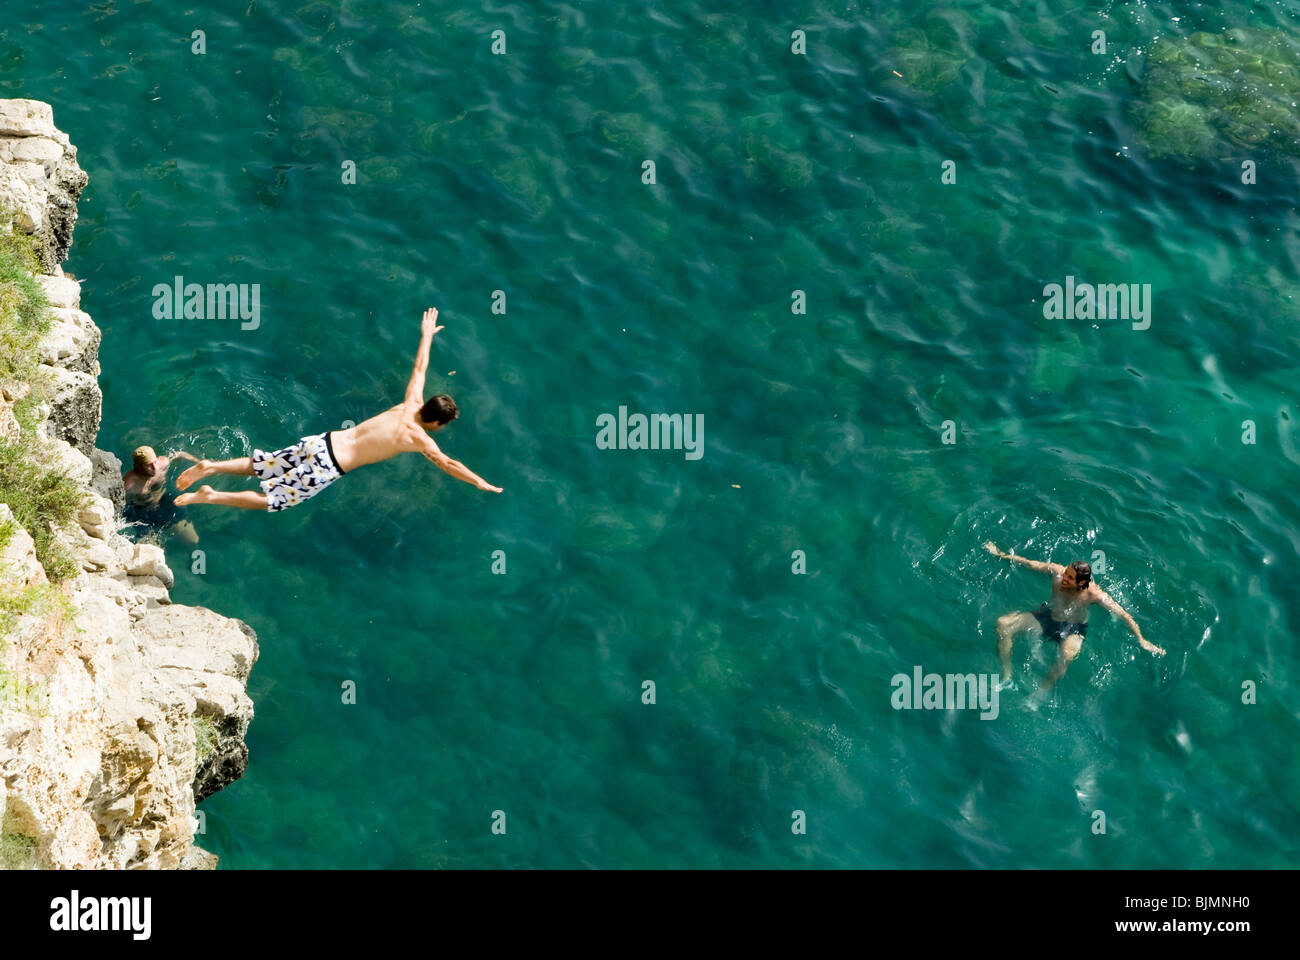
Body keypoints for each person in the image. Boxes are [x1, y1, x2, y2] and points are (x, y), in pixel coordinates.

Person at [175, 308, 502, 511]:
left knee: (264, 465)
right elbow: (447, 463)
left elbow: (420, 367)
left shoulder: (410, 401)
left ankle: (212, 466)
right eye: (441, 426)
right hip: (329, 465)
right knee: (273, 501)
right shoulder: (419, 439)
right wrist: (477, 482)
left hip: (322, 442)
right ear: (434, 421)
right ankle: (210, 494)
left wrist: (426, 334)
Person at [984, 541, 1165, 694]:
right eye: (1066, 572)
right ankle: (1007, 675)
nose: (1064, 577)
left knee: (1067, 654)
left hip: (1072, 629)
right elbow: (1029, 563)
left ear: (1081, 583)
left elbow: (1124, 615)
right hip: (1047, 617)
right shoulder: (1057, 572)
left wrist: (1141, 639)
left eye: (1069, 577)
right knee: (1003, 624)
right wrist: (1000, 554)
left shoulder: (1094, 594)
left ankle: (1041, 693)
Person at [122, 445, 200, 544]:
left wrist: (200, 463)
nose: (154, 468)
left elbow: (180, 454)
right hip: (140, 512)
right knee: (152, 549)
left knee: (193, 541)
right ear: (138, 467)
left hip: (163, 501)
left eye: (155, 462)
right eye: (148, 465)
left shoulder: (162, 463)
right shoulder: (130, 483)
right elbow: (118, 499)